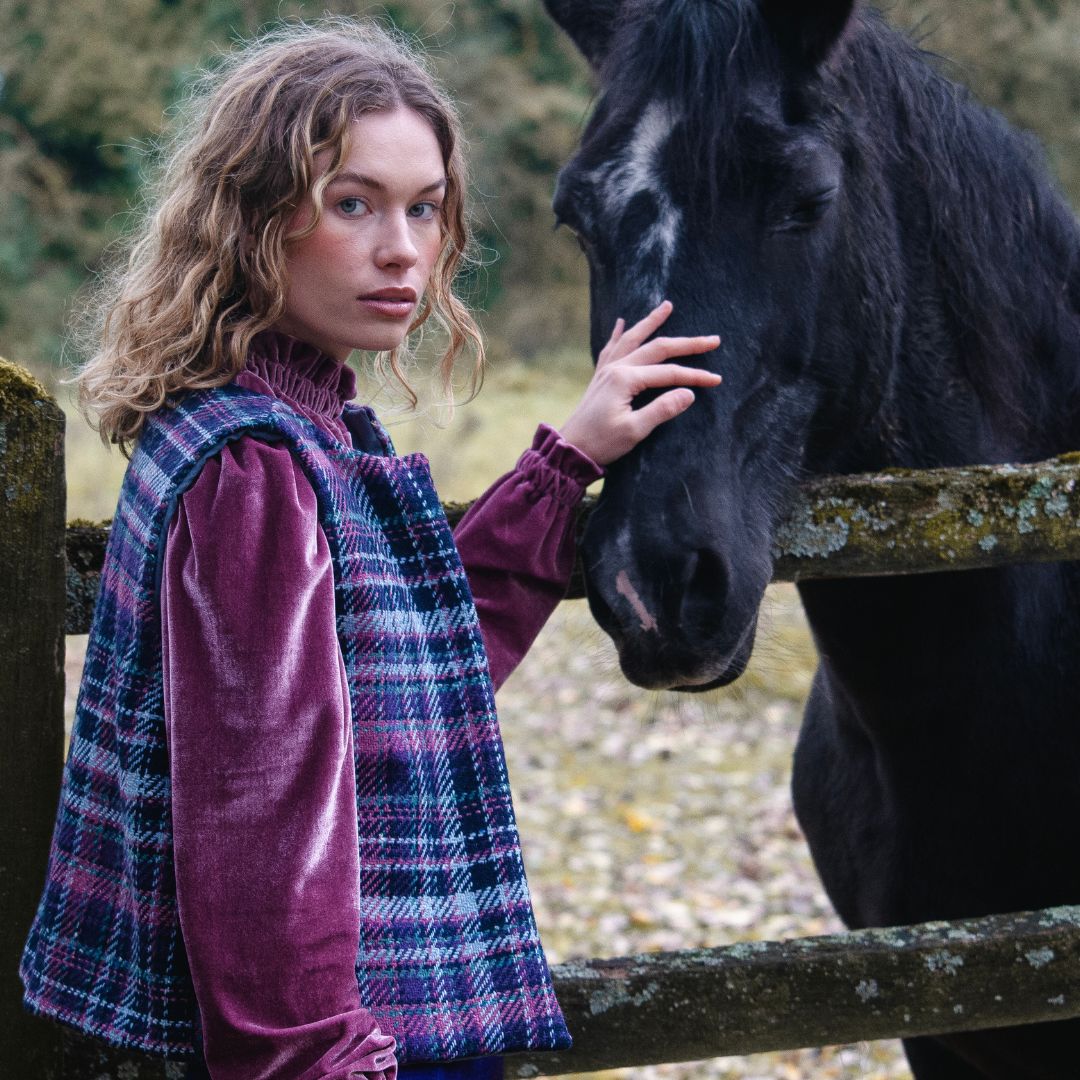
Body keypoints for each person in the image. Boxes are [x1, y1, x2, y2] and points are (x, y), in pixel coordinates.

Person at [19, 19, 722, 1080]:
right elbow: (261, 825)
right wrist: (323, 1061)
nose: (403, 249)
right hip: (350, 1045)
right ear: (254, 217)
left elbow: (413, 669)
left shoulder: (297, 424)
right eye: (353, 204)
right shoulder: (253, 466)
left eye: (424, 207)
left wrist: (563, 463)